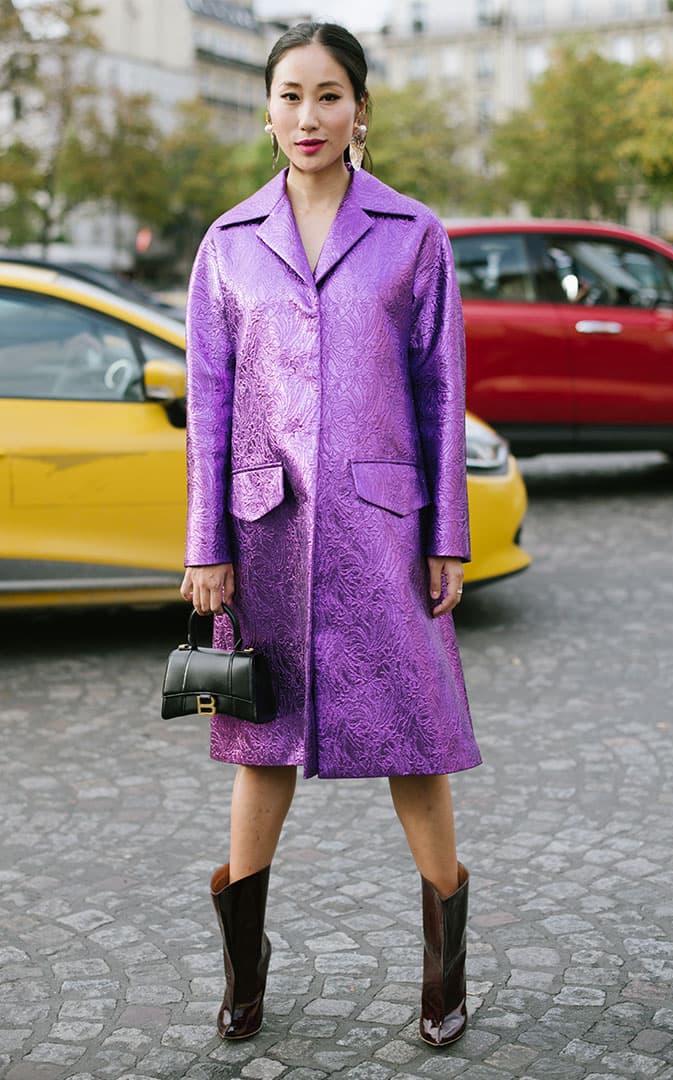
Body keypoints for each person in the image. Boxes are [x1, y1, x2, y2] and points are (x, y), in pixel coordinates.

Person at [180, 21, 482, 1049]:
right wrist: (204, 546)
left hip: (388, 531)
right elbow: (209, 408)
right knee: (259, 746)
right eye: (290, 96)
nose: (308, 117)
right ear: (266, 110)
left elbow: (442, 393)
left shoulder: (413, 235)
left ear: (362, 110)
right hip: (263, 535)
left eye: (329, 96)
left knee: (417, 742)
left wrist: (449, 532)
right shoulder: (227, 246)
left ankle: (446, 969)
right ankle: (244, 971)